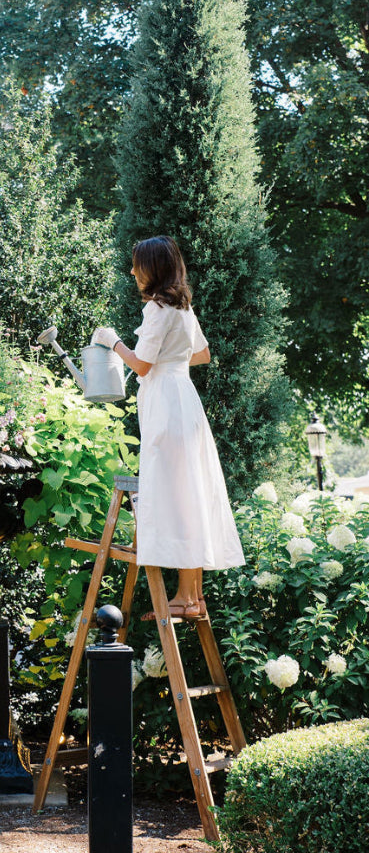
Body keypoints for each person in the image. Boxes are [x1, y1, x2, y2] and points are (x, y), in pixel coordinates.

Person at [93, 235, 244, 618]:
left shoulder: (158, 309)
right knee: (191, 490)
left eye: (136, 265)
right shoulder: (184, 308)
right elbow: (203, 354)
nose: (131, 272)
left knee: (176, 494)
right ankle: (193, 597)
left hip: (166, 405)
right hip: (184, 399)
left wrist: (113, 343)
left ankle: (184, 597)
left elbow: (141, 365)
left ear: (152, 269)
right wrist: (171, 363)